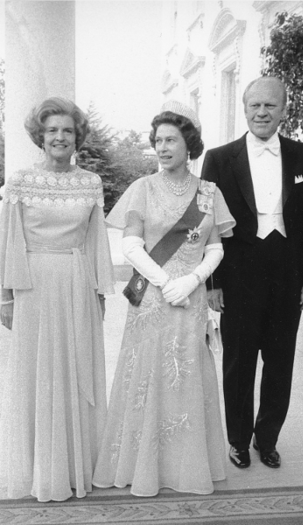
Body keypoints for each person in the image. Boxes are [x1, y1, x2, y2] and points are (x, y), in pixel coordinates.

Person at [93, 101, 235, 496]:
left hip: (190, 300)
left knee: (187, 373)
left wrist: (191, 281)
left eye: (171, 139)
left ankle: (186, 466)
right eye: (158, 140)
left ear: (189, 143)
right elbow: (131, 245)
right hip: (152, 300)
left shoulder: (209, 193)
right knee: (149, 375)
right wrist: (162, 280)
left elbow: (216, 247)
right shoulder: (142, 188)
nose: (163, 147)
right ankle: (143, 466)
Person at [0, 97, 115, 502]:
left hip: (77, 282)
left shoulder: (90, 182)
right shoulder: (22, 180)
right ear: (40, 138)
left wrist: (99, 291)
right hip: (34, 285)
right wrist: (7, 297)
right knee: (38, 372)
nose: (60, 137)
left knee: (76, 369)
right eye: (52, 131)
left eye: (67, 130)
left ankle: (78, 466)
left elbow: (96, 240)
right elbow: (11, 240)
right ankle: (43, 469)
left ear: (78, 137)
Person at [201, 76, 303, 470]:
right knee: (238, 362)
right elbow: (206, 223)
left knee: (280, 361)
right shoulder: (219, 159)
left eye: (270, 105)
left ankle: (266, 438)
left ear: (284, 110)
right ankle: (237, 440)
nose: (261, 112)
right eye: (254, 105)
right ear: (244, 108)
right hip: (237, 275)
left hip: (287, 274)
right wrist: (212, 282)